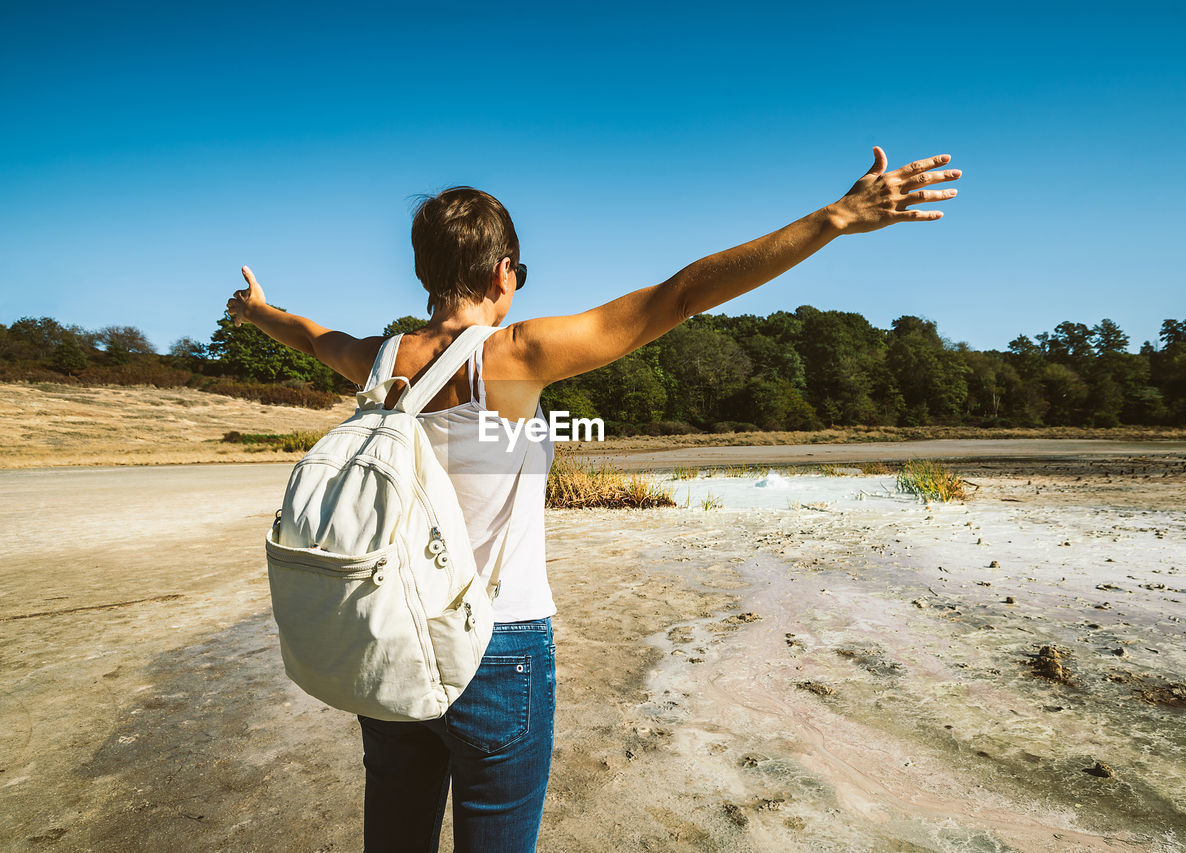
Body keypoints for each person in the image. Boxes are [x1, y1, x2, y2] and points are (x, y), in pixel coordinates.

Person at [224, 146, 959, 852]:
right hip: (497, 645)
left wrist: (259, 313)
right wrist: (832, 218)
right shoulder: (508, 360)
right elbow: (678, 295)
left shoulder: (379, 360)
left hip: (388, 638)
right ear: (504, 273)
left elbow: (314, 336)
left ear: (423, 272)